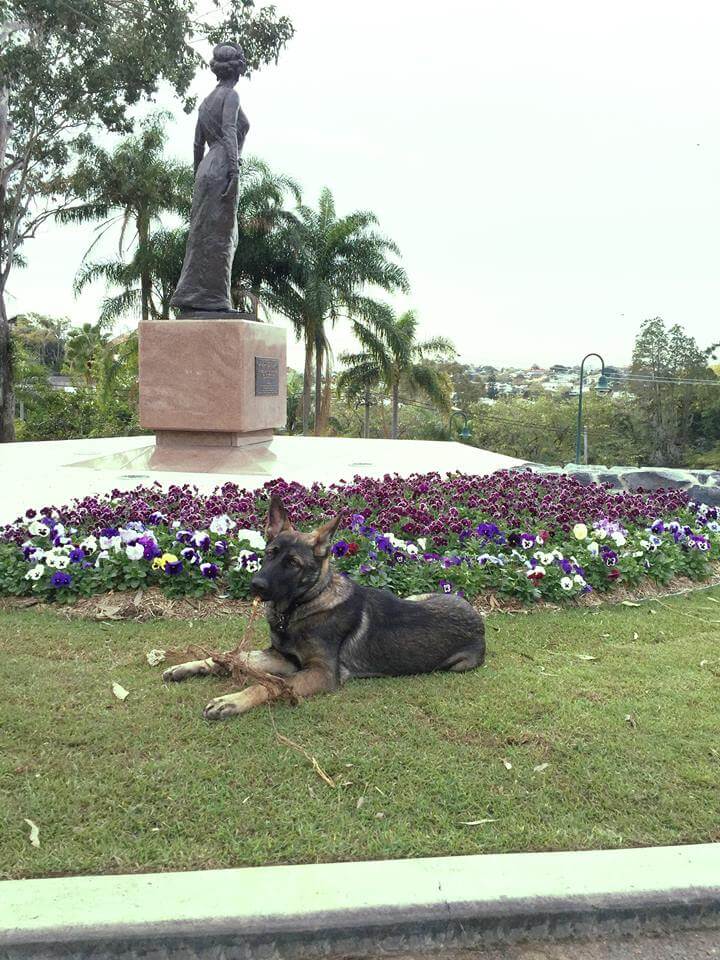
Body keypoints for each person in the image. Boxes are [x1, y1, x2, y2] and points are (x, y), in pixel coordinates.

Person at [170, 42, 249, 314]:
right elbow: (229, 131)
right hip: (223, 166)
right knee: (222, 237)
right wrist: (235, 171)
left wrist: (197, 176)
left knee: (203, 233)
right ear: (238, 70)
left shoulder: (205, 103)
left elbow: (196, 145)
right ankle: (215, 300)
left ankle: (196, 295)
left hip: (206, 169)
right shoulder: (231, 96)